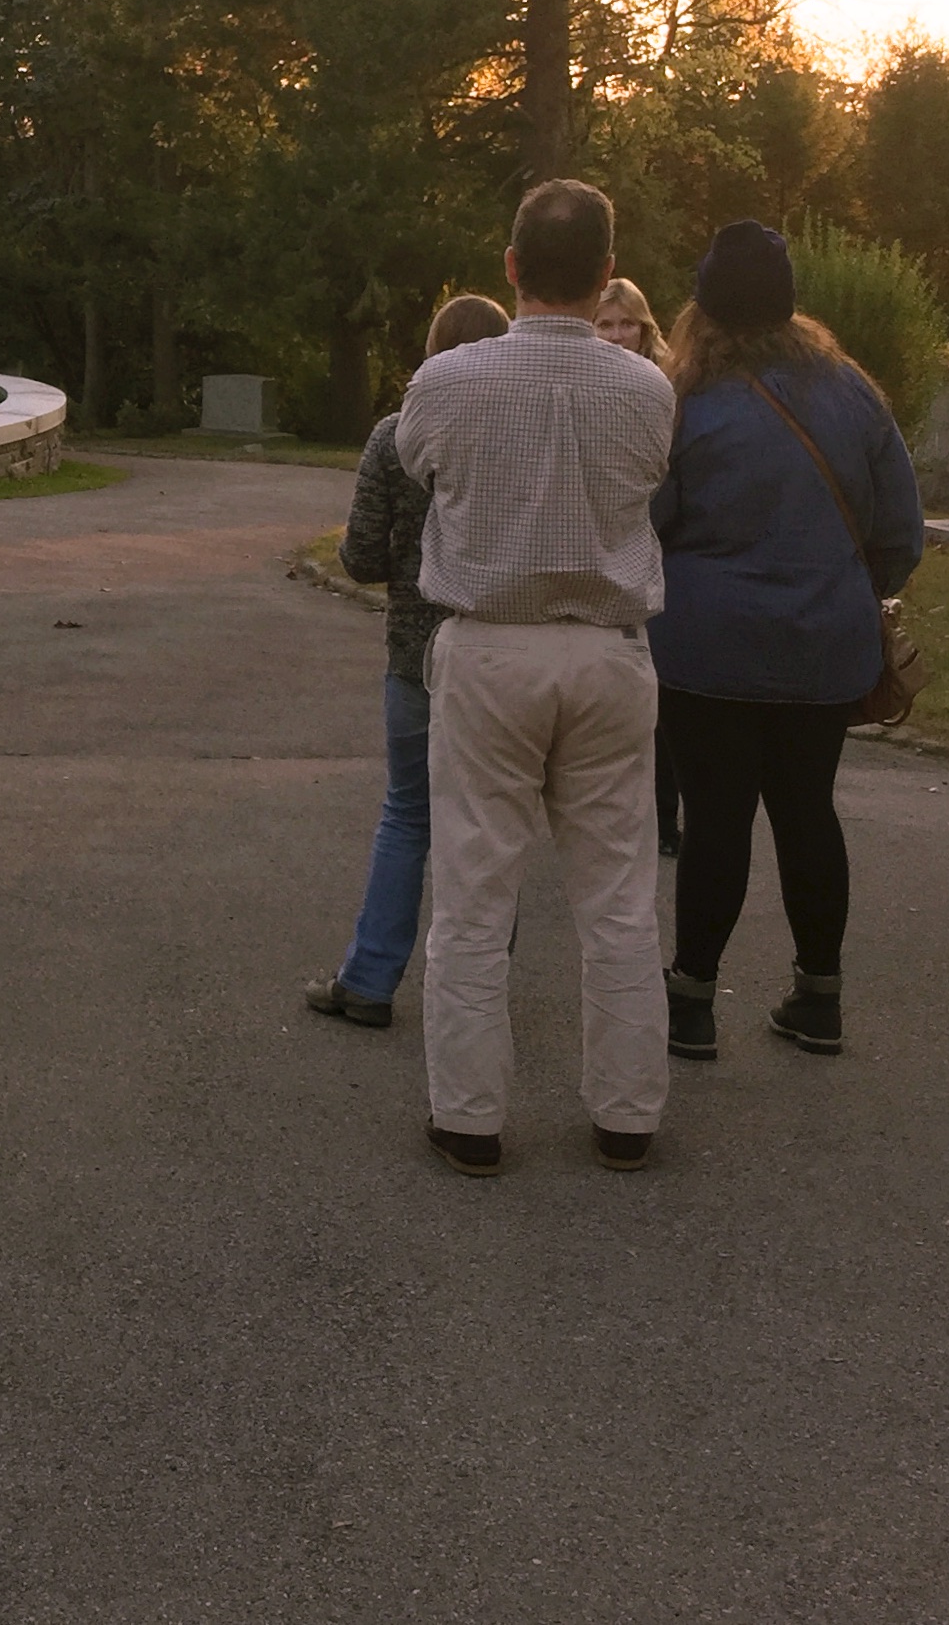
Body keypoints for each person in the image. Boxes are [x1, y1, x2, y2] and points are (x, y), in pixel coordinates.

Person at [396, 181, 676, 1175]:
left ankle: (469, 1114)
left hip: (490, 641)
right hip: (606, 649)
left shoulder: (446, 380)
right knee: (618, 894)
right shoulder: (647, 387)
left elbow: (419, 468)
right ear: (607, 271)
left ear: (511, 265)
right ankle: (627, 1111)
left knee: (475, 887)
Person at [647, 223, 923, 1062]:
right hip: (824, 647)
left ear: (703, 306)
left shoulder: (683, 400)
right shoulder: (853, 394)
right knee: (809, 812)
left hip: (706, 648)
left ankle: (692, 999)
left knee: (715, 819)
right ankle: (819, 996)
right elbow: (900, 533)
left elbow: (652, 520)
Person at [303, 292, 513, 1031]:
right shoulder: (515, 438)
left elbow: (360, 556)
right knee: (492, 820)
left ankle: (370, 978)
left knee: (407, 815)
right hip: (498, 653)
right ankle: (484, 979)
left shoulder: (396, 437)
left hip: (413, 658)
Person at [596, 277, 687, 862]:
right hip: (607, 545)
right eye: (606, 323)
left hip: (662, 545)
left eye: (626, 323)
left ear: (644, 325)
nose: (617, 334)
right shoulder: (584, 374)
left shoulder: (667, 382)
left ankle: (663, 819)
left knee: (661, 702)